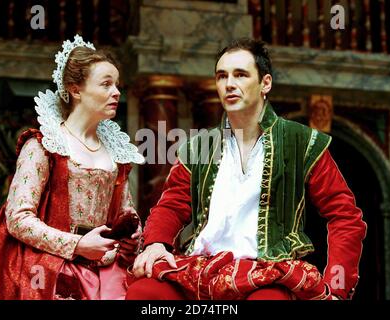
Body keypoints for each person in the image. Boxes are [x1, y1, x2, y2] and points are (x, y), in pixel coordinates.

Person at [126, 38, 367, 300]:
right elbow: (172, 204)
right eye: (222, 76)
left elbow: (345, 216)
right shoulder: (201, 145)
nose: (229, 84)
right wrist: (155, 244)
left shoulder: (301, 142)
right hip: (200, 271)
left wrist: (338, 287)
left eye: (240, 75)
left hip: (267, 275)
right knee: (144, 293)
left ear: (265, 83)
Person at [0, 35, 144, 300]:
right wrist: (78, 244)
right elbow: (17, 219)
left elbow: (125, 212)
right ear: (75, 90)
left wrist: (133, 236)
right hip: (47, 269)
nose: (116, 92)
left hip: (106, 271)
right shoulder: (44, 145)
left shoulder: (116, 153)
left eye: (117, 84)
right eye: (106, 84)